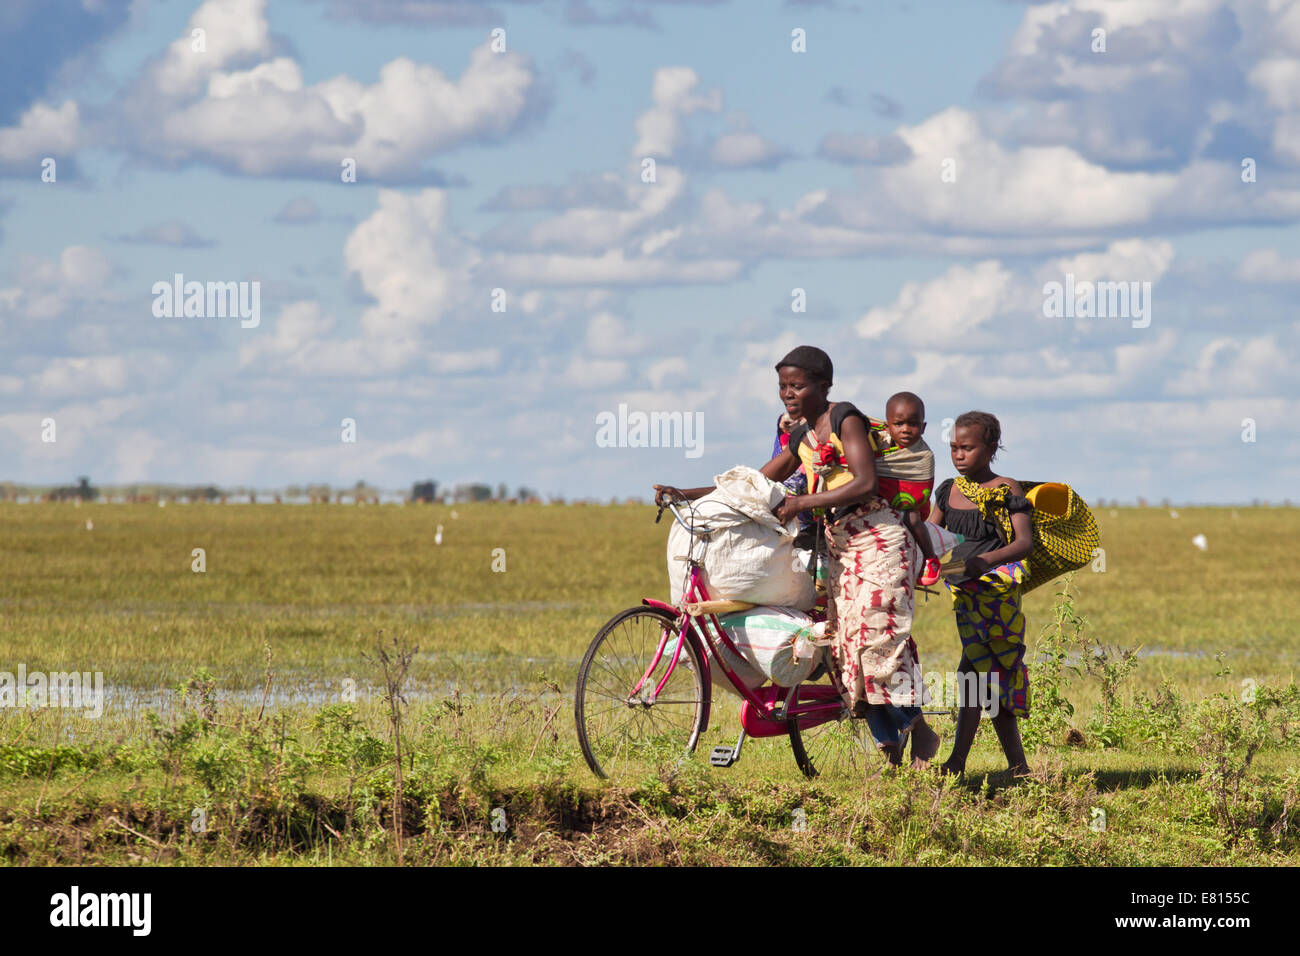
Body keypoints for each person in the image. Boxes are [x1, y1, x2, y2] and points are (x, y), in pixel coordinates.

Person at [655, 345, 940, 769]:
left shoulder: (846, 419)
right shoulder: (800, 436)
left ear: (824, 386)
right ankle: (898, 743)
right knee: (846, 648)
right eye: (783, 386)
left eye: (798, 385)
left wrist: (802, 504)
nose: (788, 393)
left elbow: (863, 483)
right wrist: (689, 492)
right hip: (842, 546)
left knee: (877, 636)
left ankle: (918, 731)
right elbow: (754, 483)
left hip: (881, 540)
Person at [926, 410, 1034, 777]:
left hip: (996, 598)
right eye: (954, 448)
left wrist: (984, 562)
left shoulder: (1005, 489)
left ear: (990, 449)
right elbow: (929, 535)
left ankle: (958, 762)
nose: (958, 455)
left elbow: (1023, 543)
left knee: (979, 673)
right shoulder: (947, 491)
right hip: (965, 599)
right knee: (985, 676)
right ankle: (1017, 766)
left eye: (967, 448)